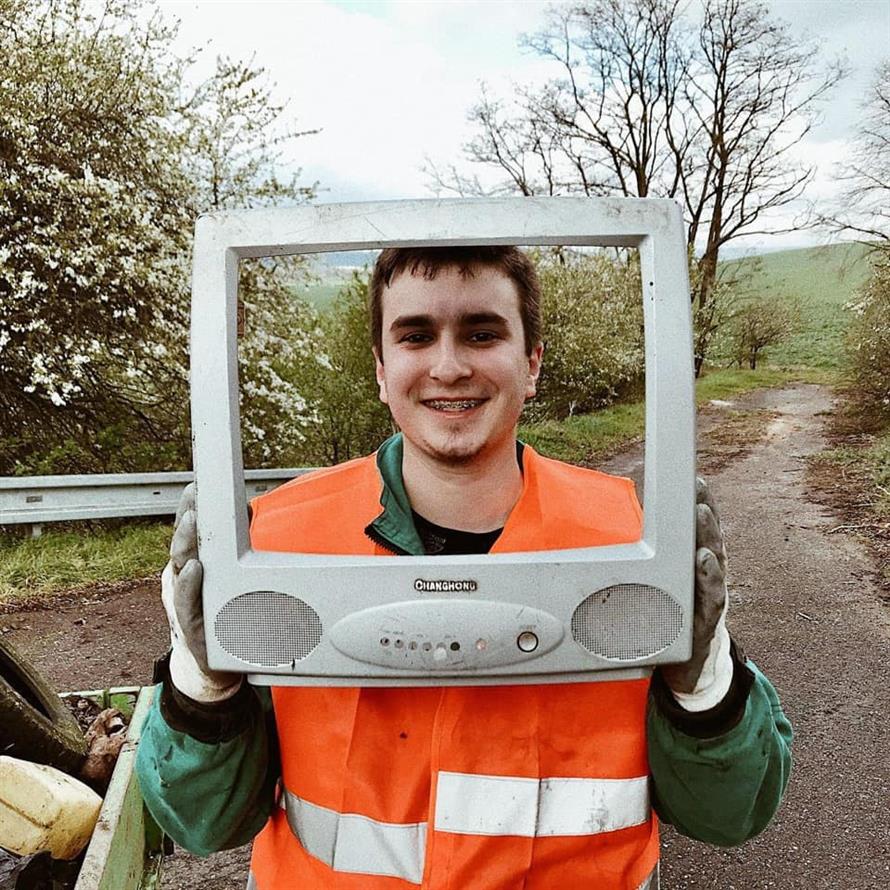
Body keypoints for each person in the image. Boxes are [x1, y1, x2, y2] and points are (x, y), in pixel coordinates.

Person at [136, 246, 792, 890]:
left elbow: (730, 815)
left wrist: (702, 685)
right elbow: (205, 825)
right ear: (381, 369)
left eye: (482, 333)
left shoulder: (633, 543)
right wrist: (203, 690)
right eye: (416, 336)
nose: (449, 367)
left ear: (531, 364)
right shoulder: (276, 542)